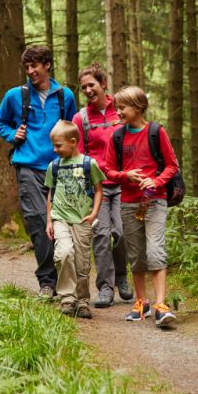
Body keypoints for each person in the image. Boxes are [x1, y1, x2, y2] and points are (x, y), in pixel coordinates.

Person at [0, 46, 77, 299]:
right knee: (39, 223)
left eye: (35, 67)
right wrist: (12, 134)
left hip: (58, 167)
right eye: (26, 68)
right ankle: (47, 283)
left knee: (62, 223)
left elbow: (73, 130)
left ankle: (68, 281)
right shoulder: (15, 96)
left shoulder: (66, 96)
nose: (30, 72)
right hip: (27, 165)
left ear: (47, 65)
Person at [103, 86, 178, 327]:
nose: (118, 111)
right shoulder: (116, 137)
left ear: (138, 107)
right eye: (117, 107)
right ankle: (141, 302)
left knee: (155, 251)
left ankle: (160, 305)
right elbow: (108, 170)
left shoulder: (156, 131)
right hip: (128, 202)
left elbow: (171, 165)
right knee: (135, 254)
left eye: (122, 107)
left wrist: (155, 181)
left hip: (155, 201)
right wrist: (127, 176)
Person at [71, 63, 133, 308]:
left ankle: (122, 278)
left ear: (103, 84)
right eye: (83, 87)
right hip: (97, 187)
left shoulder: (121, 110)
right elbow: (78, 154)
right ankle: (105, 288)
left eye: (91, 85)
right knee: (100, 235)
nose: (87, 90)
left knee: (121, 233)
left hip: (124, 182)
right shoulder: (80, 118)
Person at [44, 121, 104, 318]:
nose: (55, 149)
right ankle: (67, 299)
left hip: (82, 219)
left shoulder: (89, 164)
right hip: (60, 218)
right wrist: (49, 221)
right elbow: (51, 195)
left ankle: (82, 300)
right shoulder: (54, 166)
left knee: (82, 261)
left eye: (58, 145)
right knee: (64, 254)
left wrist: (94, 213)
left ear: (72, 142)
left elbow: (98, 191)